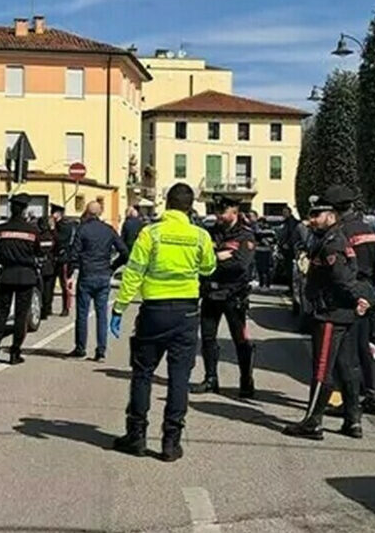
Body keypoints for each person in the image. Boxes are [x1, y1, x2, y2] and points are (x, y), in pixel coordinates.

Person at [110, 183, 216, 462]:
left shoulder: (151, 233)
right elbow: (209, 268)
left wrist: (119, 307)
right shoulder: (200, 236)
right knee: (179, 377)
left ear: (167, 204)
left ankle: (136, 435)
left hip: (154, 311)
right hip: (187, 312)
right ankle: (171, 441)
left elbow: (133, 272)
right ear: (190, 208)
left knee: (142, 372)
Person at [283, 188, 375, 441]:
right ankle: (352, 420)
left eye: (317, 215)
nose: (311, 220)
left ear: (331, 215)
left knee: (322, 369)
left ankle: (313, 422)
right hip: (341, 313)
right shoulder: (330, 238)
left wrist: (359, 298)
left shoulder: (332, 242)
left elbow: (341, 279)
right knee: (346, 366)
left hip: (331, 314)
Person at [194, 197, 257, 398]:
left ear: (234, 211)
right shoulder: (211, 232)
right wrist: (219, 256)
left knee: (240, 340)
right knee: (207, 338)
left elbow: (240, 265)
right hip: (211, 293)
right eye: (217, 211)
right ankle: (211, 379)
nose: (219, 215)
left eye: (223, 211)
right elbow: (200, 259)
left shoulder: (245, 235)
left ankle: (246, 380)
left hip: (233, 295)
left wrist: (214, 259)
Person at [335, 187, 375, 417]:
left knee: (348, 352)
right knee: (366, 347)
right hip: (368, 289)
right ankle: (373, 397)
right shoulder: (369, 229)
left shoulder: (341, 231)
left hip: (350, 292)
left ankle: (350, 403)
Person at [0, 193, 43, 365]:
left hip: (6, 275)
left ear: (11, 209)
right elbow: (39, 252)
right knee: (21, 316)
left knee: (1, 315)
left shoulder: (0, 229)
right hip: (25, 276)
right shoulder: (32, 230)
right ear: (25, 210)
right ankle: (14, 353)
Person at [69, 200, 129, 361]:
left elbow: (73, 254)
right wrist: (112, 267)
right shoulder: (108, 230)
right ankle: (101, 351)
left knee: (82, 314)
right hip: (103, 274)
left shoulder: (82, 230)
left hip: (87, 274)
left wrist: (73, 271)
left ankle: (80, 348)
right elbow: (125, 252)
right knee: (102, 315)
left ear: (87, 213)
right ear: (100, 213)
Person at [52, 204, 77, 317]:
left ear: (59, 214)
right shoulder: (57, 224)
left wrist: (53, 230)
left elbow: (60, 240)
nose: (52, 215)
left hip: (64, 259)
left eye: (54, 213)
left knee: (64, 285)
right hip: (55, 258)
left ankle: (66, 308)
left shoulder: (65, 225)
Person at [37, 213, 59, 321]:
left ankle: (43, 310)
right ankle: (47, 308)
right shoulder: (52, 236)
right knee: (49, 289)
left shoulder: (38, 237)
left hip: (40, 265)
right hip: (50, 265)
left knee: (41, 290)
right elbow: (58, 245)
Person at [253, 217, 276, 290]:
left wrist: (263, 241)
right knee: (260, 268)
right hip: (260, 250)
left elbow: (272, 241)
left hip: (265, 251)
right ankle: (262, 283)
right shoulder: (258, 230)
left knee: (266, 268)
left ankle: (266, 284)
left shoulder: (269, 231)